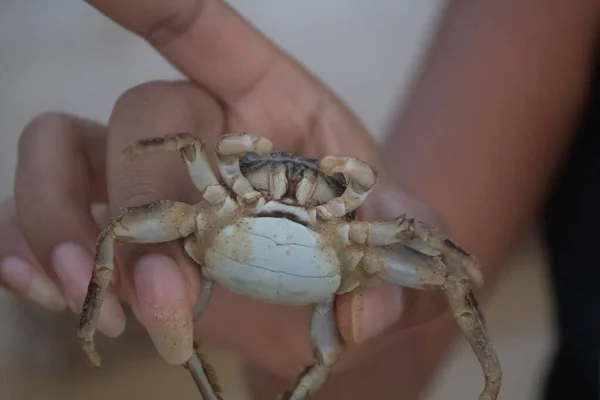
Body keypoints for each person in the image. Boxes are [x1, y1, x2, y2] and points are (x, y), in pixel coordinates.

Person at [0, 1, 598, 399]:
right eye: (268, 171)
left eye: (312, 182)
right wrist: (130, 187)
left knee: (443, 274)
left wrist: (480, 348)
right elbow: (180, 157)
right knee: (126, 230)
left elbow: (446, 265)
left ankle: (484, 372)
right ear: (240, 166)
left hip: (333, 264)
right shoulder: (205, 206)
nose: (289, 186)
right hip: (236, 256)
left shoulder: (357, 241)